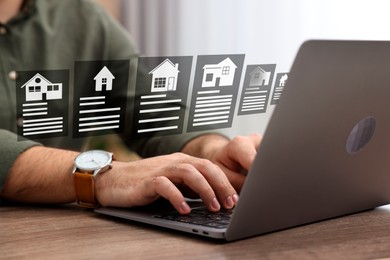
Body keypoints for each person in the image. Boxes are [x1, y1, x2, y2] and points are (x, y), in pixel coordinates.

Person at [0, 0, 261, 214]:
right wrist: (105, 176)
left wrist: (209, 152)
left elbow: (151, 108)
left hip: (62, 233)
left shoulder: (83, 17)